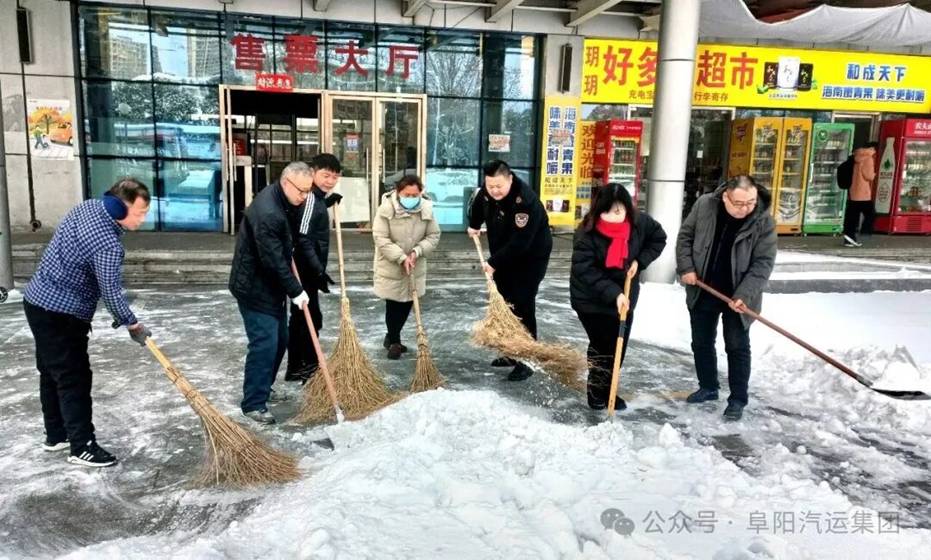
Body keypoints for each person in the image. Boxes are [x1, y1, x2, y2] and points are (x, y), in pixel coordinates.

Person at [23, 178, 152, 468]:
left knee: (51, 372)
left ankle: (57, 435)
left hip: (36, 301)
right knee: (74, 379)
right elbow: (111, 292)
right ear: (119, 207)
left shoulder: (87, 207)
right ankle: (82, 446)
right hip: (62, 314)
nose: (143, 220)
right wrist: (132, 324)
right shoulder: (108, 243)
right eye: (140, 212)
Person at [675, 175, 777, 421]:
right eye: (740, 203)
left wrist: (744, 294)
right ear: (725, 197)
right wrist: (686, 268)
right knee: (701, 341)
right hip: (703, 288)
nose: (746, 208)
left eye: (750, 203)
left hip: (739, 295)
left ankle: (737, 399)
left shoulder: (763, 220)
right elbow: (685, 237)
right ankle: (708, 387)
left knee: (737, 346)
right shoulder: (704, 205)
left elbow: (763, 264)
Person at [229, 162, 315, 424]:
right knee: (265, 343)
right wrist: (296, 291)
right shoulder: (268, 212)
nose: (304, 197)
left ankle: (264, 386)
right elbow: (273, 261)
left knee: (280, 339)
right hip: (255, 287)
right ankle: (254, 403)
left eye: (308, 192)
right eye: (302, 191)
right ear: (287, 183)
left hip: (270, 286)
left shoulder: (286, 199)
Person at [570, 183, 667, 411]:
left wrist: (639, 261)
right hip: (590, 299)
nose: (613, 216)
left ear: (627, 208)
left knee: (618, 347)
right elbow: (586, 270)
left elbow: (658, 238)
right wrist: (614, 294)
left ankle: (610, 389)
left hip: (626, 295)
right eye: (606, 211)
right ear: (598, 211)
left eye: (618, 211)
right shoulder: (586, 233)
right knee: (602, 346)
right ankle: (596, 392)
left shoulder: (639, 223)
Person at [467, 160, 553, 381]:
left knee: (523, 304)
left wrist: (493, 262)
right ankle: (510, 352)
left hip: (530, 257)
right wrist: (474, 224)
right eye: (490, 186)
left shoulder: (525, 201)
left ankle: (527, 359)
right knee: (506, 302)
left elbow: (521, 242)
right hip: (503, 253)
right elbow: (478, 204)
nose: (494, 191)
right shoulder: (487, 192)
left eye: (499, 186)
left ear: (510, 178)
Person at [285, 153, 342, 383]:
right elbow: (303, 237)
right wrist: (318, 270)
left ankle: (298, 367)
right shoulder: (309, 198)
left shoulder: (315, 198)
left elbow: (309, 221)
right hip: (304, 268)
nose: (330, 181)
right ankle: (305, 367)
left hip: (308, 266)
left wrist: (327, 201)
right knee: (307, 319)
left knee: (304, 318)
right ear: (313, 172)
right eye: (326, 175)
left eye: (335, 177)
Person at [372, 175, 441, 359]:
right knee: (393, 303)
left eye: (414, 195)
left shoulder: (426, 209)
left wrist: (417, 252)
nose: (410, 198)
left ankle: (390, 336)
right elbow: (381, 238)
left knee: (409, 302)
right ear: (398, 192)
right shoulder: (385, 209)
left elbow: (433, 235)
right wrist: (401, 257)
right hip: (392, 264)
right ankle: (394, 341)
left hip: (415, 264)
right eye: (406, 194)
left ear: (420, 193)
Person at [843, 141, 877, 248]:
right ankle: (864, 232)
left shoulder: (856, 157)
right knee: (871, 213)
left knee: (852, 215)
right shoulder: (868, 158)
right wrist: (874, 174)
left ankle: (849, 237)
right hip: (863, 193)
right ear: (872, 148)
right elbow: (869, 176)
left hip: (854, 191)